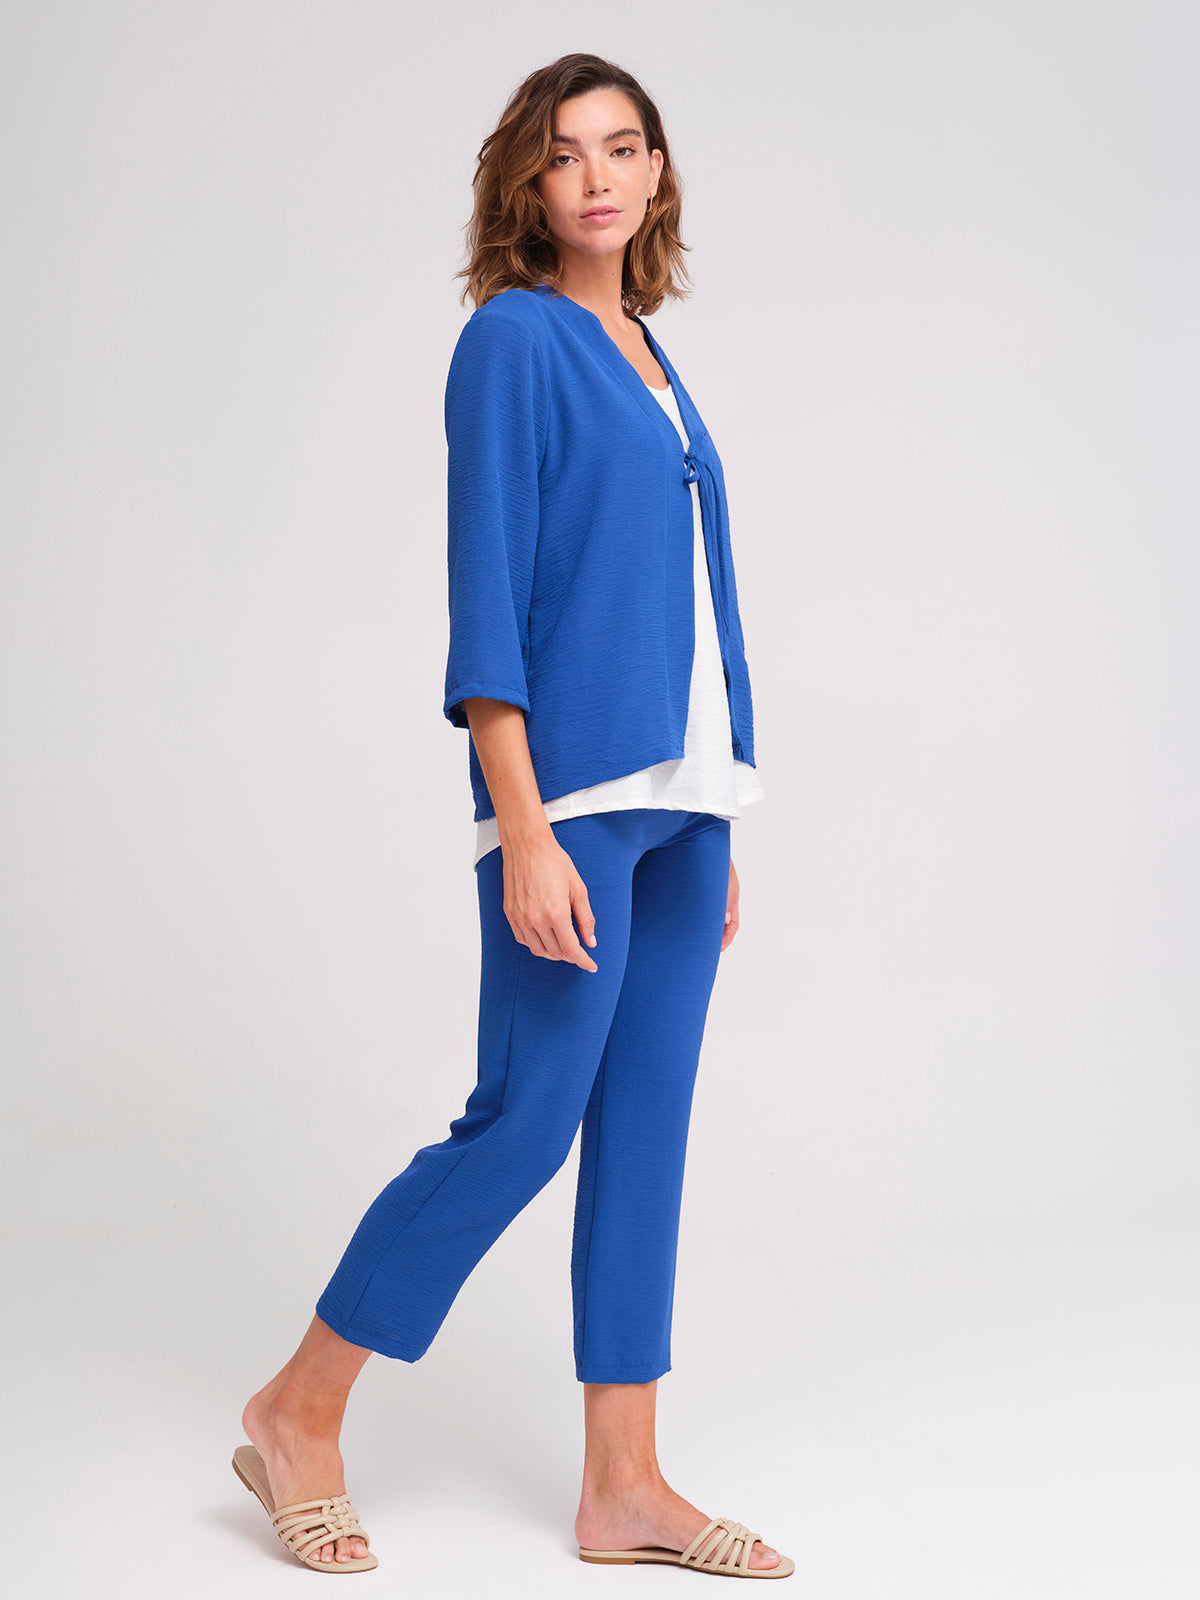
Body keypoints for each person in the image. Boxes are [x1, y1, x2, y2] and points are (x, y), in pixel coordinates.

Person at [232, 52, 792, 1581]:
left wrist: (720, 803)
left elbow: (688, 604)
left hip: (685, 805)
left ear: (658, 173)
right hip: (576, 802)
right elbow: (488, 600)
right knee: (528, 1118)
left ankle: (625, 1487)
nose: (597, 175)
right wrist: (523, 827)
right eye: (566, 153)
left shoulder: (654, 357)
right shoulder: (513, 341)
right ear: (528, 185)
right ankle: (296, 1409)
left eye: (624, 147)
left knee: (646, 1128)